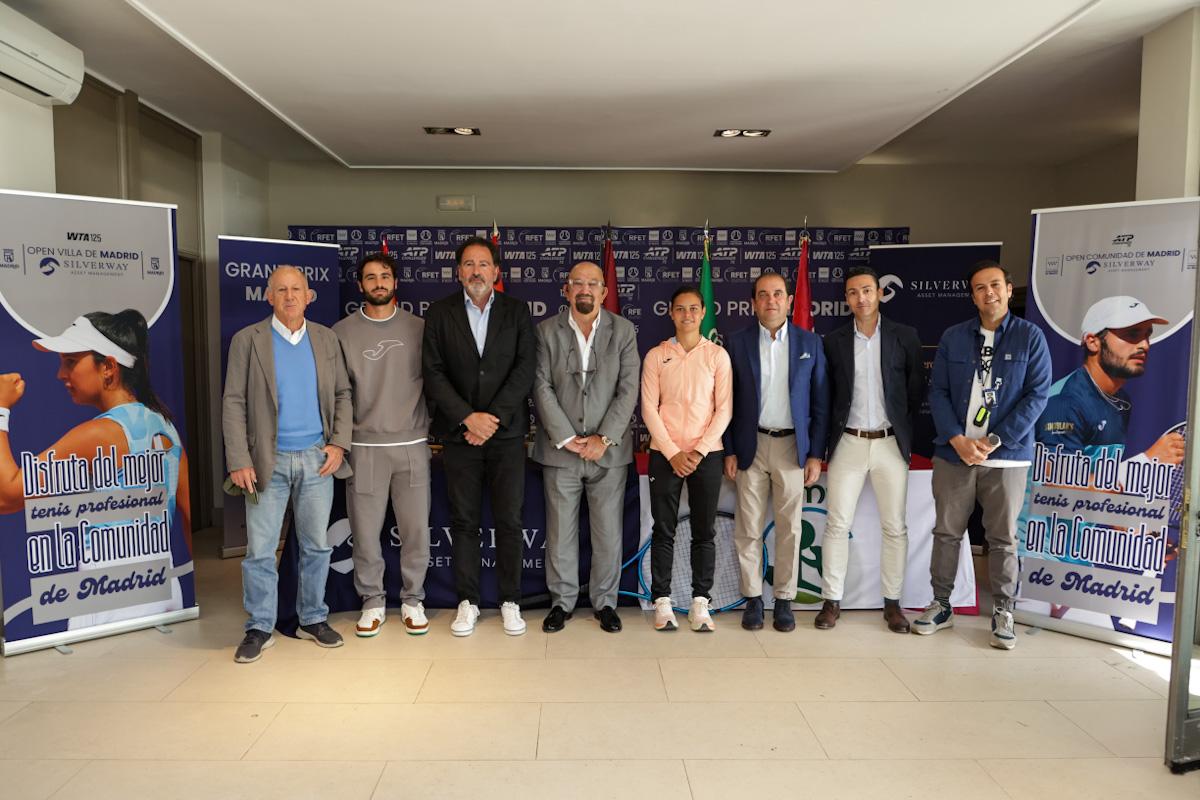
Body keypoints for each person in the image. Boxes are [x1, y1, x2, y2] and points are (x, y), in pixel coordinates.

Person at [0, 310, 192, 628]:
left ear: (108, 367)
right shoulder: (165, 426)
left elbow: (6, 495)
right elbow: (187, 518)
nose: (61, 374)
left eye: (71, 362)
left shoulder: (100, 434)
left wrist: (0, 409)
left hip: (113, 597)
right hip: (164, 587)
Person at [914, 259, 1051, 649]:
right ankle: (941, 604)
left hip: (1006, 456)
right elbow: (937, 391)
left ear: (1009, 289)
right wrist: (957, 438)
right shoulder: (955, 337)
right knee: (946, 533)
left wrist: (994, 441)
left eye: (995, 285)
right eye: (979, 287)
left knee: (1003, 538)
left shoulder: (1030, 337)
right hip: (954, 453)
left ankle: (1004, 610)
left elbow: (1037, 395)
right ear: (972, 296)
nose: (988, 292)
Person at [223, 265, 352, 663]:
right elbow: (233, 402)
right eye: (282, 290)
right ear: (269, 296)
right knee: (260, 550)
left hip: (317, 460)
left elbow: (343, 394)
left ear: (309, 295)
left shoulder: (326, 338)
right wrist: (238, 460)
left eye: (297, 289)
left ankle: (312, 618)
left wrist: (338, 445)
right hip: (266, 462)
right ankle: (260, 625)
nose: (290, 296)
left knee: (316, 547)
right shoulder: (248, 340)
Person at [422, 236, 536, 637]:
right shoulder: (439, 313)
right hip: (459, 436)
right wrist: (468, 418)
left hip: (505, 437)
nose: (476, 271)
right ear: (459, 272)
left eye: (483, 264)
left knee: (509, 520)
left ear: (496, 272)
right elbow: (433, 373)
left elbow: (525, 370)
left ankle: (511, 601)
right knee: (465, 522)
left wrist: (493, 420)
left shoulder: (517, 312)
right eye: (468, 265)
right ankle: (467, 602)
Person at [532, 262, 639, 634]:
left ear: (604, 291)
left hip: (607, 453)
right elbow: (541, 386)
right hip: (561, 451)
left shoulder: (623, 331)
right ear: (566, 289)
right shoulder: (546, 331)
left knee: (608, 533)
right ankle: (561, 603)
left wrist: (602, 438)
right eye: (577, 282)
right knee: (560, 532)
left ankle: (605, 603)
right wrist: (567, 438)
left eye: (592, 283)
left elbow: (628, 389)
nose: (585, 289)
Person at [817, 266, 924, 633]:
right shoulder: (832, 342)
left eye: (866, 290)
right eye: (852, 293)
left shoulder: (904, 336)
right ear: (846, 299)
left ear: (879, 293)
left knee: (895, 527)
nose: (860, 298)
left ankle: (892, 604)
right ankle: (831, 601)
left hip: (890, 444)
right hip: (847, 442)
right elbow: (826, 398)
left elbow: (913, 392)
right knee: (836, 524)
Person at [722, 271, 828, 633]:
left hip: (792, 448)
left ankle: (783, 599)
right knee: (748, 528)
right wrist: (730, 449)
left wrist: (815, 454)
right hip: (751, 445)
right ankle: (753, 599)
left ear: (788, 301)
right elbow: (727, 401)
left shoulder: (809, 343)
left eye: (778, 294)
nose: (771, 301)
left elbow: (820, 402)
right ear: (753, 303)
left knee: (790, 529)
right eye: (763, 295)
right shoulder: (736, 343)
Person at [333, 252, 431, 638]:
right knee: (366, 530)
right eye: (370, 277)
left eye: (385, 276)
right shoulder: (340, 332)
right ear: (360, 285)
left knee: (415, 531)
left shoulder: (421, 328)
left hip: (413, 443)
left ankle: (413, 600)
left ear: (396, 283)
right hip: (364, 446)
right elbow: (337, 394)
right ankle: (372, 601)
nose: (378, 283)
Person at [642, 285, 733, 632]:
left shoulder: (717, 356)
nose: (687, 315)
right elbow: (649, 408)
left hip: (706, 454)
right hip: (665, 454)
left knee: (703, 531)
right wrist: (673, 452)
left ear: (703, 312)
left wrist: (697, 451)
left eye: (693, 309)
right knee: (664, 530)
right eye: (680, 309)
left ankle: (700, 603)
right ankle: (662, 602)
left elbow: (724, 409)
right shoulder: (656, 355)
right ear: (671, 313)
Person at [1037, 295, 1182, 463]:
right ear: (1093, 342)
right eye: (1132, 334)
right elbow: (1057, 481)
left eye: (1147, 335)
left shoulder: (1120, 400)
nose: (1145, 345)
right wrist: (1146, 461)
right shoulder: (1064, 402)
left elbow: (1103, 476)